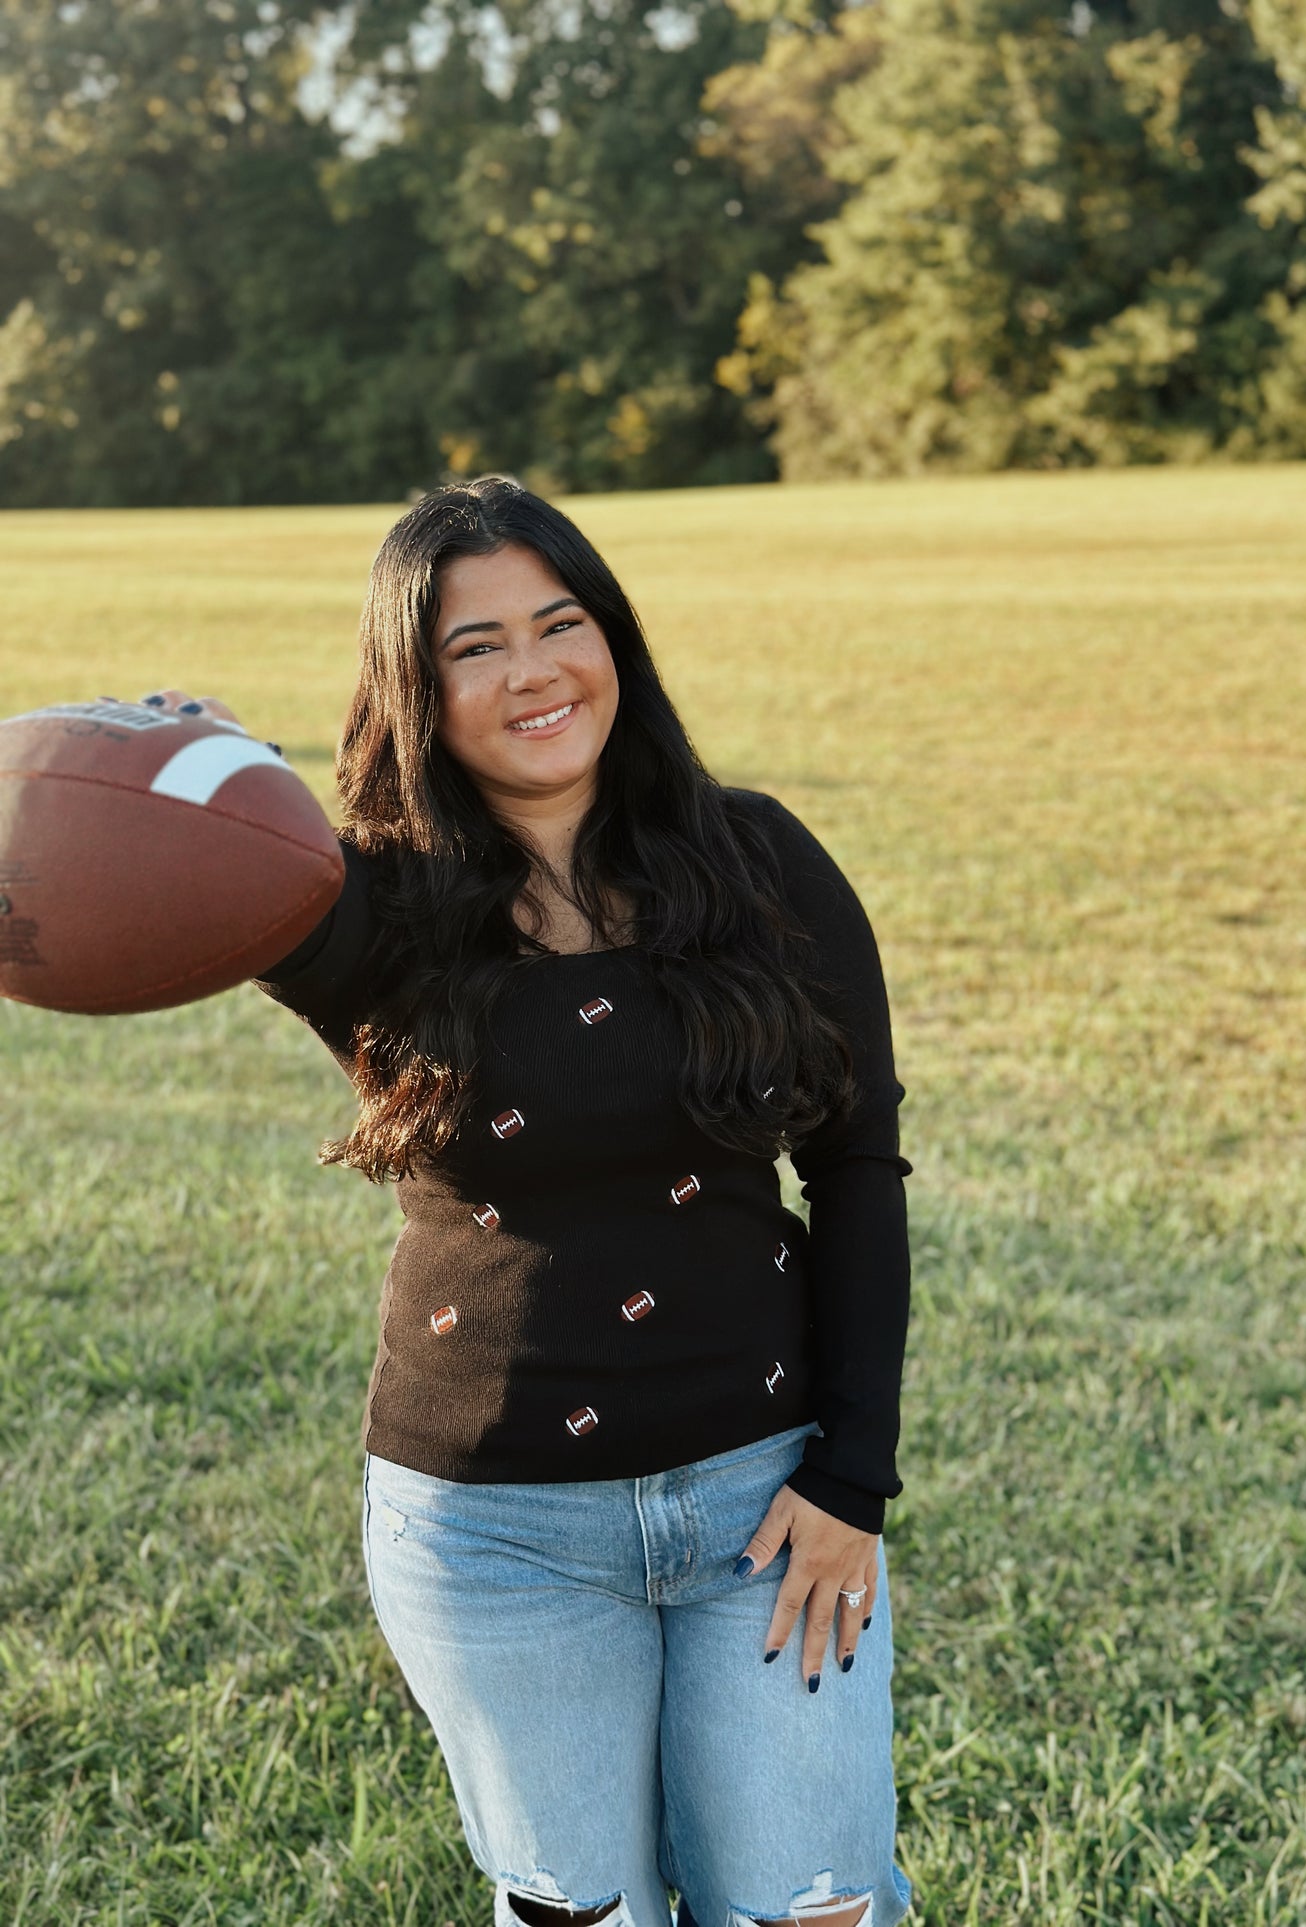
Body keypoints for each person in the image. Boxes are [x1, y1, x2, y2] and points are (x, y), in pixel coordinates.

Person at [152, 477, 913, 1927]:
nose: (535, 670)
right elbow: (163, 856)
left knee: (813, 1905)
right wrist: (176, 756)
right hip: (492, 1534)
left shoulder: (759, 861)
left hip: (766, 1505)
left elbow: (857, 1171)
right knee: (581, 1916)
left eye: (561, 623)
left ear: (612, 636)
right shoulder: (362, 907)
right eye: (474, 645)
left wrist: (849, 1482)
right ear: (418, 690)